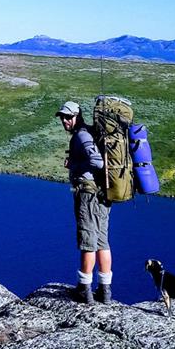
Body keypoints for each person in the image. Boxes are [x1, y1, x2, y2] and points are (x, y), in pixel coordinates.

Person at [57, 101, 113, 304]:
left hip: (88, 196)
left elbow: (97, 162)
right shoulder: (88, 132)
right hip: (100, 195)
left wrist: (74, 164)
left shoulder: (81, 135)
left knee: (88, 242)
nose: (65, 120)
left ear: (77, 116)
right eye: (62, 117)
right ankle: (105, 291)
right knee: (101, 241)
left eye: (68, 117)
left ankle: (84, 289)